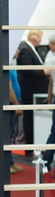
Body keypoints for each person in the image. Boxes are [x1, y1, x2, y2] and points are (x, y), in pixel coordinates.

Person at [16, 29, 49, 156]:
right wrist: (44, 72)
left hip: (34, 91)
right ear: (35, 37)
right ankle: (30, 148)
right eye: (40, 37)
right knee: (29, 120)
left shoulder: (28, 48)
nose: (41, 40)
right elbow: (28, 69)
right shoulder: (25, 49)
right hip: (30, 92)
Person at [42, 34, 55, 171]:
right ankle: (46, 160)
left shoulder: (51, 57)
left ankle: (46, 160)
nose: (51, 46)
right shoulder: (51, 56)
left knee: (54, 131)